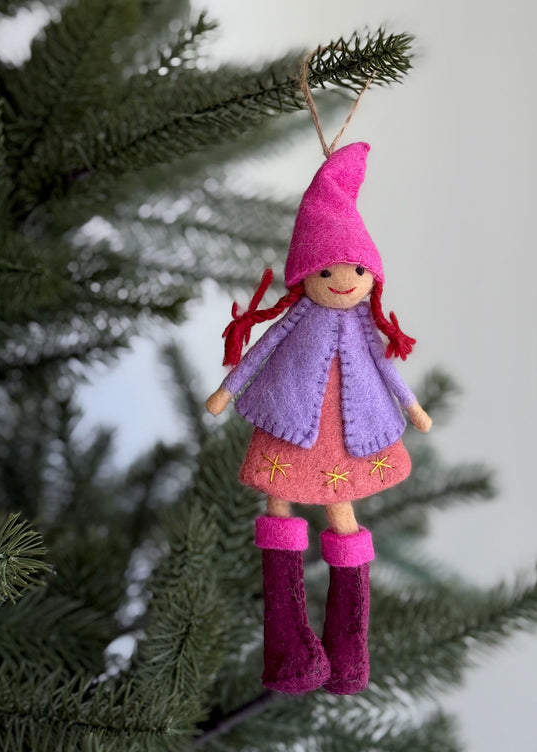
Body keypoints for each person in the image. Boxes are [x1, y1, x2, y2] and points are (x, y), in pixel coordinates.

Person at [205, 142, 431, 694]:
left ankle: (349, 651)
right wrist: (225, 392)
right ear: (308, 272)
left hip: (345, 441)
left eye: (357, 268)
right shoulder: (297, 317)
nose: (345, 280)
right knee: (280, 509)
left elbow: (387, 368)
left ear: (371, 275)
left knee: (342, 515)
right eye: (330, 268)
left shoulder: (362, 325)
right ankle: (288, 647)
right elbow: (258, 350)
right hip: (288, 428)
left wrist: (413, 407)